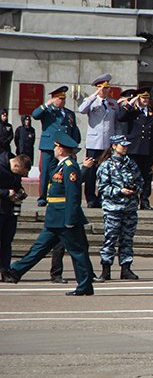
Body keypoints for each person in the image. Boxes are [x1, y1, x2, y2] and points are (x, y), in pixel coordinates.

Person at [1, 131, 94, 296]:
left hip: (65, 218)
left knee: (78, 252)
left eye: (56, 147)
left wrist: (71, 219)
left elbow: (73, 195)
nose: (54, 149)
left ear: (61, 150)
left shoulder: (69, 167)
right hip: (55, 217)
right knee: (38, 248)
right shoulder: (61, 166)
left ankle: (85, 285)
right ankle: (14, 271)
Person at [94, 135, 143, 282]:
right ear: (114, 146)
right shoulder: (106, 165)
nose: (125, 148)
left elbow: (140, 181)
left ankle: (126, 268)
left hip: (130, 208)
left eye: (126, 145)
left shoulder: (131, 163)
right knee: (110, 239)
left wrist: (136, 190)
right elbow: (102, 188)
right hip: (113, 208)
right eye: (122, 145)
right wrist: (119, 191)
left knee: (127, 239)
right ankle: (106, 269)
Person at [32, 86, 81, 207]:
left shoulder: (69, 113)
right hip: (49, 146)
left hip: (64, 148)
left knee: (63, 171)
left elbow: (73, 130)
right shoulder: (47, 111)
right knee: (45, 172)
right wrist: (46, 104)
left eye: (63, 99)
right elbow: (35, 114)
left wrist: (73, 147)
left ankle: (61, 194)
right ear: (54, 99)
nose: (62, 101)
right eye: (59, 99)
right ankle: (42, 197)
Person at [117, 87, 153, 210]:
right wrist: (131, 103)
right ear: (138, 98)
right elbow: (120, 117)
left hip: (149, 149)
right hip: (134, 149)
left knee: (147, 177)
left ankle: (144, 200)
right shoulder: (132, 111)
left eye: (147, 97)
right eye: (143, 97)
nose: (145, 100)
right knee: (133, 176)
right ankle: (133, 200)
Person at [78, 73, 119, 208]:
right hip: (94, 143)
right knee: (90, 173)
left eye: (107, 88)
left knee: (106, 172)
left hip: (108, 143)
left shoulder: (113, 103)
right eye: (102, 88)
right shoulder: (91, 101)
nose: (106, 90)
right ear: (97, 88)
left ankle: (102, 197)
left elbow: (116, 122)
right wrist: (94, 95)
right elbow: (81, 110)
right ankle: (90, 198)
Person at [0, 152, 31, 270]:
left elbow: (17, 185)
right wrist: (6, 193)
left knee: (7, 241)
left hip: (10, 210)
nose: (22, 175)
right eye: (22, 173)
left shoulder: (16, 171)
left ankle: (5, 269)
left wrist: (20, 192)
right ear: (16, 166)